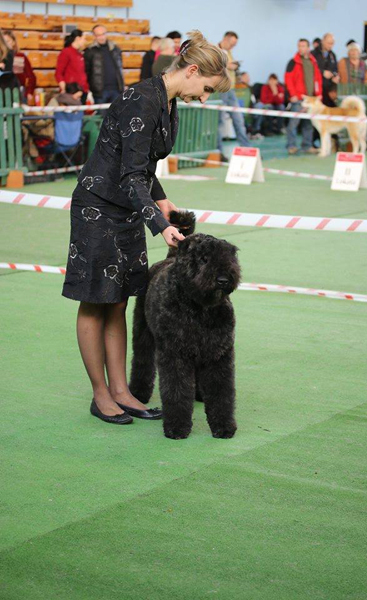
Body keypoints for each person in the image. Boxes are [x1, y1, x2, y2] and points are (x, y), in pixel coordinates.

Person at [61, 30, 231, 425]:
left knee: (119, 299)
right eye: (205, 89)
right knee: (96, 300)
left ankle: (123, 391)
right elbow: (128, 173)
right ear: (191, 71)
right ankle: (101, 395)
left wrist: (163, 199)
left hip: (126, 207)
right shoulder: (142, 100)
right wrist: (160, 224)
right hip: (98, 208)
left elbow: (142, 165)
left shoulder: (166, 101)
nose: (204, 98)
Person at [284, 38, 322, 155]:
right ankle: (291, 145)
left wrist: (319, 94)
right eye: (299, 46)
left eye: (303, 46)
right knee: (293, 123)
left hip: (311, 99)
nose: (301, 48)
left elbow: (318, 79)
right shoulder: (293, 62)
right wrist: (292, 95)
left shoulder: (313, 62)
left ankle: (307, 145)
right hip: (298, 98)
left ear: (308, 48)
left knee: (308, 124)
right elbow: (288, 79)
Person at [217, 31, 250, 160]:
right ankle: (218, 152)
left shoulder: (229, 52)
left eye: (235, 44)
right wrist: (230, 66)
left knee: (239, 119)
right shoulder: (216, 50)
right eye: (232, 43)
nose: (233, 46)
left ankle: (247, 149)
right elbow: (219, 64)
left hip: (231, 90)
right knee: (219, 122)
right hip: (219, 90)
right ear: (225, 38)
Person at [84, 24, 124, 105]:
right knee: (101, 117)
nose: (101, 37)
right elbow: (86, 71)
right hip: (99, 92)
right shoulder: (89, 51)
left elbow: (119, 68)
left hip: (116, 89)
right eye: (98, 35)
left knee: (116, 116)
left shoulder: (115, 49)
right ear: (94, 36)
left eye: (103, 34)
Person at [3, 30, 36, 102]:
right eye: (3, 42)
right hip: (3, 92)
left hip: (19, 92)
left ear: (13, 42)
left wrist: (29, 92)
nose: (5, 44)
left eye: (8, 41)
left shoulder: (21, 57)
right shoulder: (1, 58)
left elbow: (31, 76)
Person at [56, 29, 89, 101]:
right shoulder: (66, 52)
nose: (85, 41)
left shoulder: (79, 54)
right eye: (84, 39)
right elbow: (59, 73)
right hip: (72, 92)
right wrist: (64, 89)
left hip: (82, 90)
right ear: (78, 38)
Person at [312, 33, 339, 106]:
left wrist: (335, 76)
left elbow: (335, 69)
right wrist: (322, 72)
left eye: (332, 43)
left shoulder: (332, 55)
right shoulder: (313, 54)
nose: (330, 45)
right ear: (322, 41)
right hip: (316, 90)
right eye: (328, 43)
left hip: (329, 90)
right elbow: (310, 69)